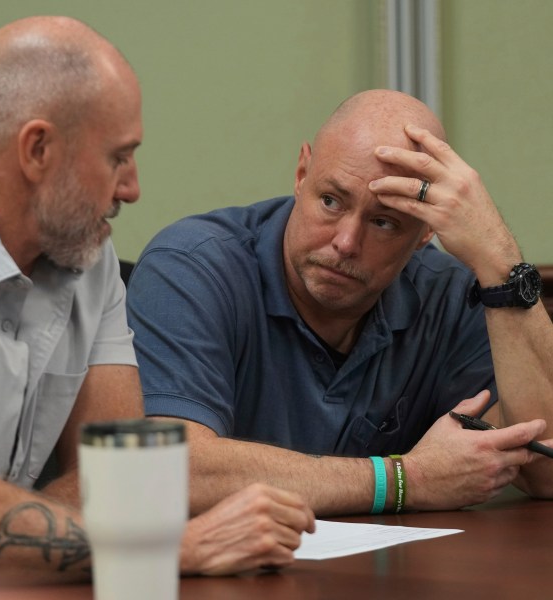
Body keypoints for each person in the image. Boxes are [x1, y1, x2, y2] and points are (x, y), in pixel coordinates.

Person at [0, 16, 314, 584]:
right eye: (118, 157)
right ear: (37, 149)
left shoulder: (87, 260)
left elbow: (116, 484)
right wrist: (168, 550)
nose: (132, 188)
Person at [127, 89, 553, 518]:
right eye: (331, 201)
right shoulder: (193, 268)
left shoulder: (447, 295)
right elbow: (168, 470)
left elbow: (546, 474)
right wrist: (408, 479)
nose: (346, 242)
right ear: (301, 173)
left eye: (384, 222)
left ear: (426, 232)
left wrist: (500, 261)